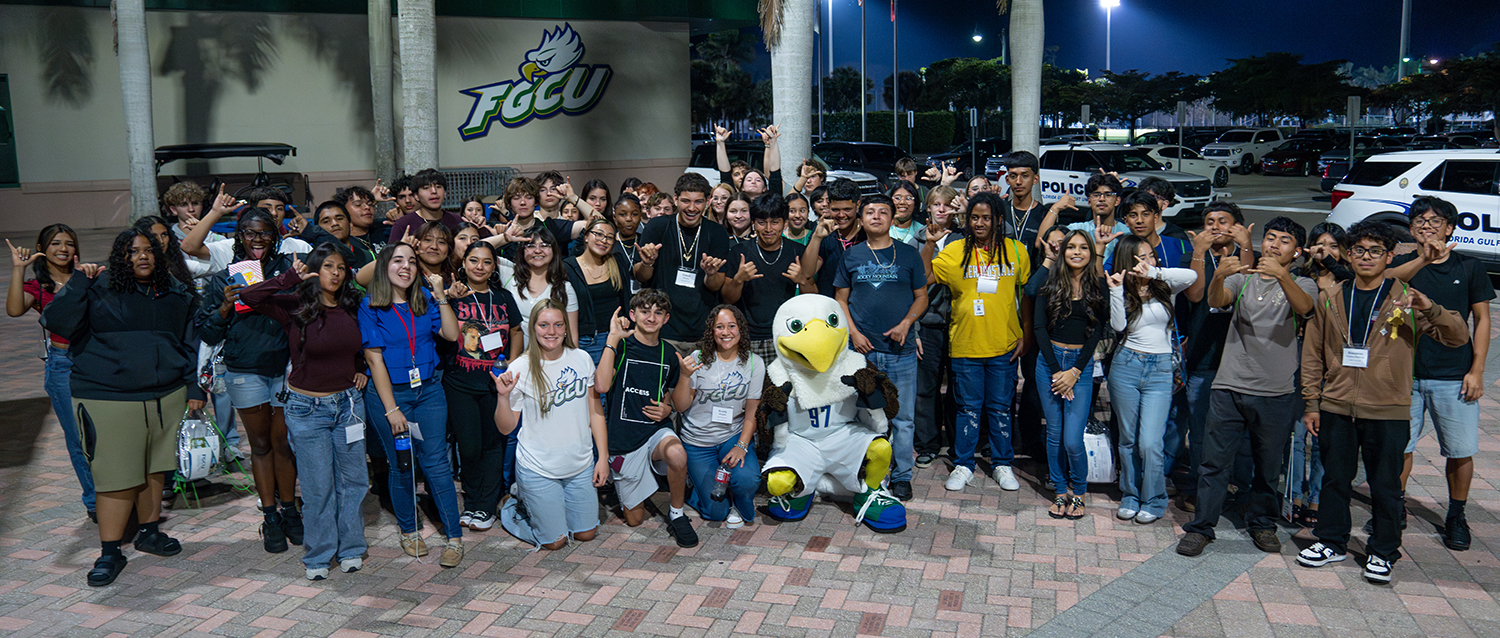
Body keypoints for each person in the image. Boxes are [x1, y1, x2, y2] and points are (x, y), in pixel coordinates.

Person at [1297, 221, 1468, 584]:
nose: (1367, 257)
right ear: (1348, 254)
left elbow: (1457, 336)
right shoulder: (1331, 297)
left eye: (1376, 251)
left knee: (1386, 484)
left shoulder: (1406, 296)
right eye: (1359, 250)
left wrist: (1429, 307)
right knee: (1334, 479)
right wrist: (1312, 401)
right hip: (1337, 405)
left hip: (1387, 408)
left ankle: (1383, 550)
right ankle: (1331, 541)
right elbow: (1313, 353)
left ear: (1390, 256)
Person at [42, 228, 205, 587]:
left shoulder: (174, 293)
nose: (143, 256)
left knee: (155, 469)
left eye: (148, 251)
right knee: (115, 478)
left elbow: (192, 343)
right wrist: (80, 283)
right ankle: (110, 550)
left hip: (165, 395)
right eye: (133, 252)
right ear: (121, 257)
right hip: (109, 396)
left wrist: (193, 386)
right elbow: (56, 321)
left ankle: (148, 532)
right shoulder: (99, 288)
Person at [1175, 217, 1316, 557]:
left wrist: (1282, 276)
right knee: (1214, 462)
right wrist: (1220, 276)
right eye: (1270, 238)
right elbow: (1219, 299)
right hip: (1229, 385)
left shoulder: (1304, 283)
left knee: (1267, 467)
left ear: (1296, 252)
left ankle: (1262, 523)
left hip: (1277, 390)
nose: (1273, 245)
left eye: (1284, 241)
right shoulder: (1243, 280)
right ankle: (1201, 527)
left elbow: (1305, 309)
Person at [239, 244, 371, 580]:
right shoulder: (296, 305)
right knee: (316, 486)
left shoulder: (352, 305)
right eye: (328, 266)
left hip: (349, 405)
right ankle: (319, 554)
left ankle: (352, 547)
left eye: (341, 267)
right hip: (306, 408)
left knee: (353, 481)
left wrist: (360, 367)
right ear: (314, 269)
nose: (336, 273)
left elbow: (360, 344)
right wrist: (287, 278)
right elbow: (249, 297)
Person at [195, 208, 305, 553]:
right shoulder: (224, 278)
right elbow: (206, 330)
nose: (257, 239)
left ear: (275, 236)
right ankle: (270, 516)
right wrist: (225, 308)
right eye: (249, 233)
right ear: (238, 237)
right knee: (260, 445)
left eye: (264, 233)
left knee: (284, 444)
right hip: (245, 370)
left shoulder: (288, 269)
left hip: (285, 367)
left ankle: (291, 511)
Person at [1389, 197, 1494, 551]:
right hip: (1405, 374)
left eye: (1436, 220)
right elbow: (1385, 283)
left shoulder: (1469, 267)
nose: (1427, 225)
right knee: (1399, 446)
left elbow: (1482, 320)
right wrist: (1422, 258)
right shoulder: (1404, 264)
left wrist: (1476, 370)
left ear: (1450, 228)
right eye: (1419, 220)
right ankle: (1394, 508)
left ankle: (1456, 516)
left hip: (1453, 373)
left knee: (1459, 450)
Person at [359, 243, 466, 567]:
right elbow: (374, 360)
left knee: (436, 464)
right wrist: (392, 410)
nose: (405, 267)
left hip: (429, 392)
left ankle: (454, 536)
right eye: (397, 261)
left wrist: (441, 294)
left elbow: (450, 334)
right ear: (384, 267)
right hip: (390, 395)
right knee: (402, 463)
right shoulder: (370, 306)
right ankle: (409, 530)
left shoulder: (424, 299)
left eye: (410, 261)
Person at [923, 192, 1032, 493]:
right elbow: (923, 277)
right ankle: (963, 465)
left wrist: (1025, 334)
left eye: (986, 217)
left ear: (998, 219)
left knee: (999, 409)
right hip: (965, 346)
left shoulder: (1017, 251)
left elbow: (1024, 296)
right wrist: (931, 244)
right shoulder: (956, 250)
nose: (980, 223)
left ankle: (1002, 464)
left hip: (1005, 346)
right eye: (974, 217)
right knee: (968, 409)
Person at [493, 301, 610, 550]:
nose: (551, 331)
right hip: (538, 468)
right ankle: (515, 505)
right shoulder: (519, 368)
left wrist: (603, 458)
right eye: (544, 325)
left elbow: (595, 412)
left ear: (566, 328)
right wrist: (503, 397)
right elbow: (505, 428)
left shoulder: (582, 358)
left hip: (579, 466)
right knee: (555, 542)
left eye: (558, 325)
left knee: (586, 534)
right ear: (533, 328)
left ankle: (549, 508)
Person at [834, 193, 928, 502]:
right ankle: (867, 470)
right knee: (864, 415)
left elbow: (921, 296)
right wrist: (854, 332)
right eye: (870, 212)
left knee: (902, 418)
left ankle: (901, 476)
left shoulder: (909, 254)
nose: (876, 217)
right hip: (862, 351)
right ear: (860, 219)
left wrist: (907, 323)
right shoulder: (852, 256)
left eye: (883, 212)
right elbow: (841, 301)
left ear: (892, 218)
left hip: (899, 351)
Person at [1107, 231, 1198, 525]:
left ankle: (1154, 499)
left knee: (1150, 442)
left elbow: (1191, 277)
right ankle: (1131, 496)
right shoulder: (1120, 286)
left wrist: (1155, 271)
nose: (1148, 260)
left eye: (1151, 255)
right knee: (1128, 439)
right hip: (1126, 365)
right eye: (1141, 257)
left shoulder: (1163, 284)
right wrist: (1117, 290)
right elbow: (1119, 325)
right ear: (1127, 261)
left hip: (1159, 370)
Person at [1171, 201, 1257, 512]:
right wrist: (1197, 252)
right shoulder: (1192, 257)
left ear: (1239, 226)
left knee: (1243, 433)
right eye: (1210, 220)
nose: (1216, 225)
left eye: (1223, 220)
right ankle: (1198, 486)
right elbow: (1195, 295)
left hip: (1242, 359)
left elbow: (1248, 290)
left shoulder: (1251, 258)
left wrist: (1246, 247)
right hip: (1203, 358)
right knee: (1201, 429)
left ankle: (1239, 486)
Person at [594, 289, 697, 547]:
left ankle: (677, 513)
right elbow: (602, 386)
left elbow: (679, 404)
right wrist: (612, 338)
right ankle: (640, 482)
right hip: (624, 439)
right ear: (633, 314)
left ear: (666, 319)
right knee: (634, 520)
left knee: (677, 454)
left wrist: (668, 407)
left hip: (654, 433)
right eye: (645, 311)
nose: (651, 317)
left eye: (658, 312)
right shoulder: (621, 345)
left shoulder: (668, 353)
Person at [7, 225, 92, 520]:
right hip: (62, 364)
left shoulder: (85, 277)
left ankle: (114, 494)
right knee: (78, 438)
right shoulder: (39, 287)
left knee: (102, 433)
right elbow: (15, 310)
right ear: (43, 248)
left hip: (94, 361)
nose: (63, 248)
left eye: (69, 243)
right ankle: (94, 502)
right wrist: (18, 269)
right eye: (56, 243)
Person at [445, 242, 524, 533]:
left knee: (494, 444)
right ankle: (472, 500)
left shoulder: (503, 297)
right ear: (463, 263)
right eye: (474, 260)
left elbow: (516, 329)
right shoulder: (453, 296)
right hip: (459, 383)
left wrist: (512, 365)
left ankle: (486, 507)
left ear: (494, 267)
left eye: (486, 262)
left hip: (495, 385)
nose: (480, 266)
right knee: (468, 446)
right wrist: (445, 295)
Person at [1027, 230, 1106, 520]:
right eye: (1070, 247)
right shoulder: (1049, 284)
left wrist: (1073, 371)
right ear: (1062, 252)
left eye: (1083, 247)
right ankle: (1060, 491)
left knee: (1073, 439)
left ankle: (1079, 492)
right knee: (1055, 433)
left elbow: (1097, 331)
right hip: (1049, 364)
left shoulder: (1098, 285)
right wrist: (1057, 370)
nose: (1076, 252)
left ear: (1091, 252)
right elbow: (1038, 329)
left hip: (1079, 367)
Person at [671, 305, 764, 527]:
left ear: (740, 329)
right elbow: (681, 406)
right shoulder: (698, 358)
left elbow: (751, 413)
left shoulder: (754, 363)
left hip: (731, 436)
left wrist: (741, 446)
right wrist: (684, 376)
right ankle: (698, 493)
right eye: (719, 327)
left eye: (732, 326)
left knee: (748, 478)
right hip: (698, 442)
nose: (726, 332)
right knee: (715, 511)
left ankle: (739, 503)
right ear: (711, 331)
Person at [632, 173, 733, 355]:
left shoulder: (717, 233)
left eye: (698, 202)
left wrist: (710, 273)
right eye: (686, 201)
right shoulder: (657, 226)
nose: (692, 208)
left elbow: (716, 285)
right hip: (663, 328)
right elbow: (640, 275)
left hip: (702, 329)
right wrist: (647, 263)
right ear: (676, 199)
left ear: (708, 201)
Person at [913, 185, 966, 469]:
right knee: (926, 388)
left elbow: (1002, 229)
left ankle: (960, 445)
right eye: (936, 204)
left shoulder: (965, 237)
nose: (942, 209)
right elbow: (913, 284)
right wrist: (916, 329)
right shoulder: (917, 239)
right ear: (928, 208)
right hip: (929, 324)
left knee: (959, 387)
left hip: (960, 322)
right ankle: (927, 443)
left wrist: (967, 213)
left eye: (948, 204)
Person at [719, 193, 808, 362]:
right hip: (748, 336)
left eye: (775, 222)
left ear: (785, 223)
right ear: (753, 224)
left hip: (786, 334)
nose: (768, 229)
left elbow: (813, 296)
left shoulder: (797, 251)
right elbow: (727, 299)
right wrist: (739, 279)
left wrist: (802, 280)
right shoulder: (739, 252)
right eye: (762, 222)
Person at [565, 218, 633, 364]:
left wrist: (624, 317)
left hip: (617, 337)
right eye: (599, 234)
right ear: (586, 237)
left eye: (609, 237)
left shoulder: (617, 262)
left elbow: (625, 300)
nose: (604, 240)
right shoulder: (568, 268)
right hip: (585, 341)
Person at [505, 226, 579, 348]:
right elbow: (475, 250)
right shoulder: (508, 273)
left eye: (544, 245)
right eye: (531, 246)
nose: (538, 250)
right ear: (522, 250)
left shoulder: (564, 288)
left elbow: (572, 338)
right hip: (515, 360)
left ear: (554, 250)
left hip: (550, 360)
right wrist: (505, 238)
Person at [801, 179, 864, 297]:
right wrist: (817, 237)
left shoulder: (867, 232)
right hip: (831, 306)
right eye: (835, 210)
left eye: (847, 210)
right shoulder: (825, 232)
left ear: (858, 205)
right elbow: (807, 273)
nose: (841, 215)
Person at [1066, 173, 1129, 263]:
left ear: (1117, 201)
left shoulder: (1126, 232)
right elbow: (1041, 242)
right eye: (1096, 195)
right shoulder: (1078, 230)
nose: (1102, 199)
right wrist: (1055, 208)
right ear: (1089, 201)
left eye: (1108, 194)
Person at [388, 169, 462, 241]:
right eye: (426, 188)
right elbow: (390, 252)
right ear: (416, 196)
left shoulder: (456, 220)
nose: (434, 191)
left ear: (445, 193)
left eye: (438, 187)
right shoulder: (402, 224)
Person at [715, 124, 782, 195]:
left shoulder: (771, 201)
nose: (753, 182)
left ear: (764, 188)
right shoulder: (734, 200)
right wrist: (720, 142)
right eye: (749, 179)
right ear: (743, 187)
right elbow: (725, 174)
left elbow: (775, 176)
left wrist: (773, 142)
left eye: (758, 180)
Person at [611, 195, 646, 293]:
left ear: (640, 216)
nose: (629, 219)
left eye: (634, 214)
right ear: (614, 217)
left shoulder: (645, 241)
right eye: (623, 214)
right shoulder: (609, 243)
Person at [888, 181, 925, 246]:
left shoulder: (922, 231)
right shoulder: (882, 228)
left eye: (908, 198)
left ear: (915, 203)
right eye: (897, 198)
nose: (902, 202)